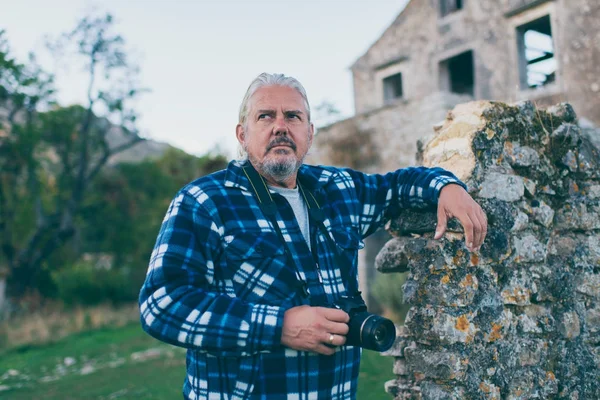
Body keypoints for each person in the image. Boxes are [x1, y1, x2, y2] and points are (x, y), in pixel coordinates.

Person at [139, 73, 487, 399]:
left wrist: (447, 187)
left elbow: (396, 187)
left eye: (293, 116)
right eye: (265, 116)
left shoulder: (338, 189)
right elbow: (161, 303)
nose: (280, 126)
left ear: (309, 133)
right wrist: (279, 325)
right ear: (242, 135)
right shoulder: (204, 201)